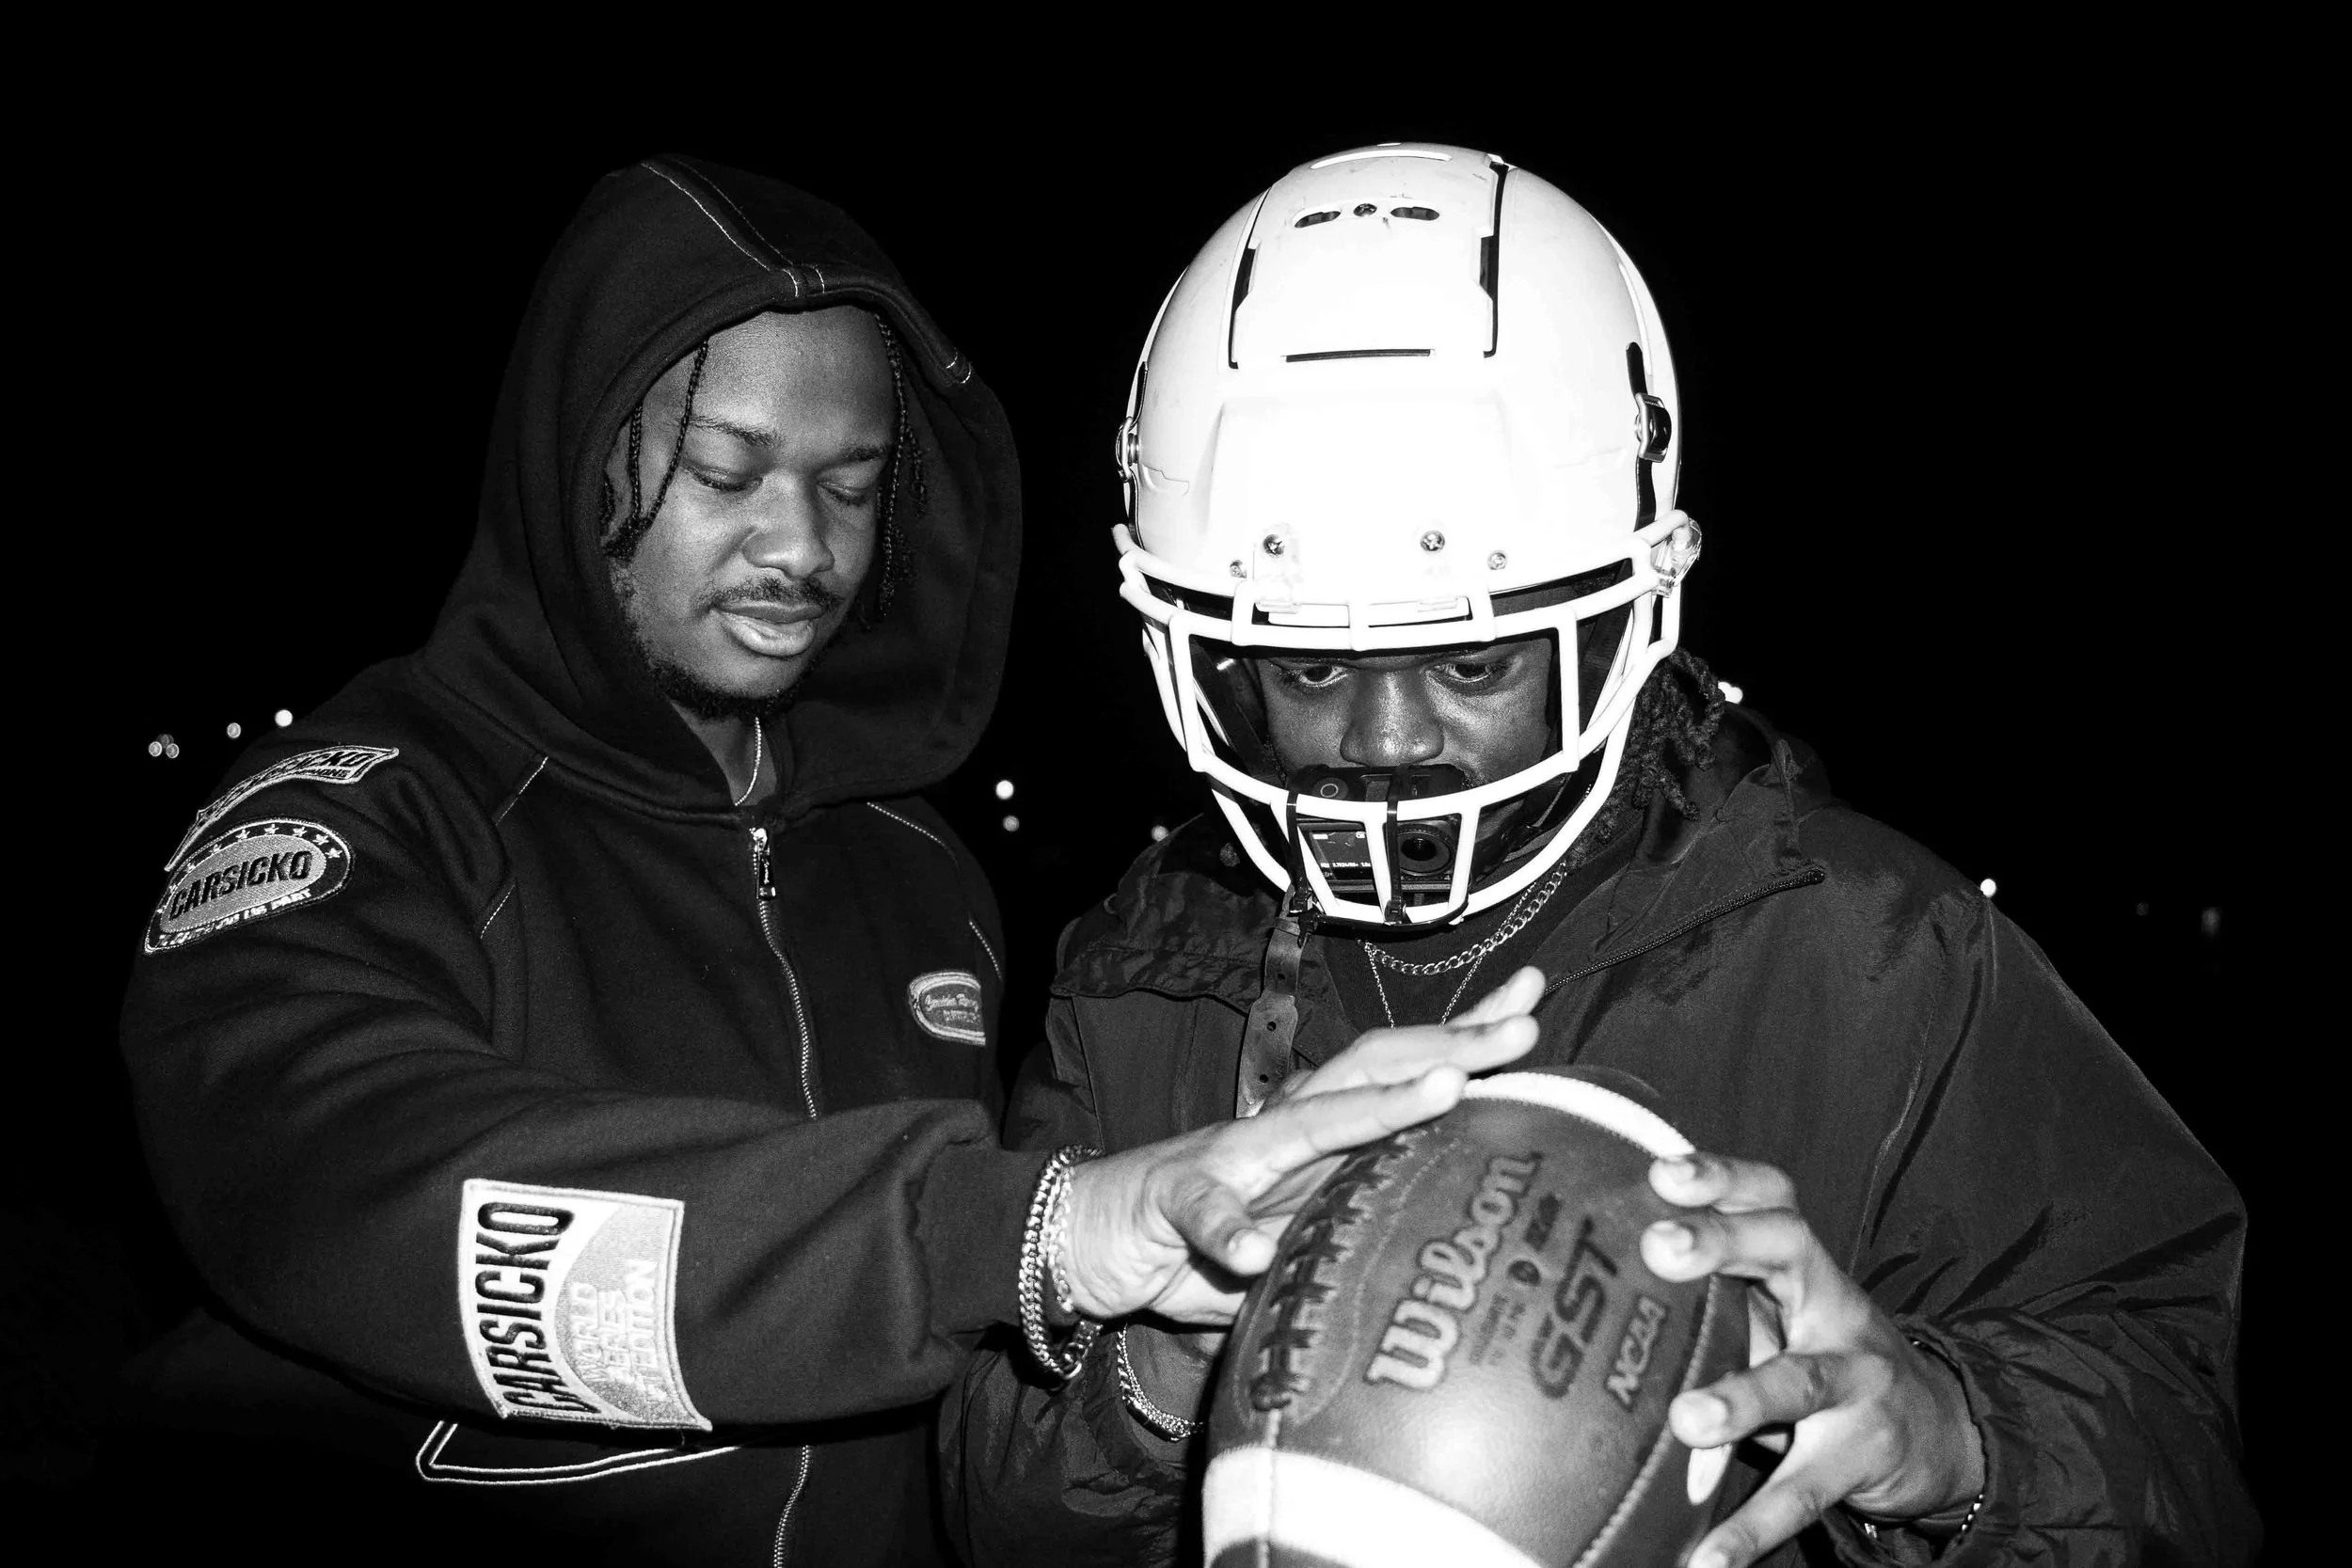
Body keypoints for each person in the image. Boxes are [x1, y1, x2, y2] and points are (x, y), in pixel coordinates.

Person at [112, 154, 1537, 1565]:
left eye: (852, 487)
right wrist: (1011, 1231)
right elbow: (333, 1187)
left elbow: (1001, 1437)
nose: (799, 544)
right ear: (575, 461)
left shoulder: (925, 876)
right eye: (724, 471)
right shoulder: (364, 815)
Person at [944, 145, 2259, 1566]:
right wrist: (1161, 1375)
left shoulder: (1876, 959)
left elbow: (2183, 1439)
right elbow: (988, 1518)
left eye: (1474, 657)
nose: (1386, 739)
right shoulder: (1148, 984)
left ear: (1618, 617)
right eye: (1312, 668)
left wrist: (1950, 1435)